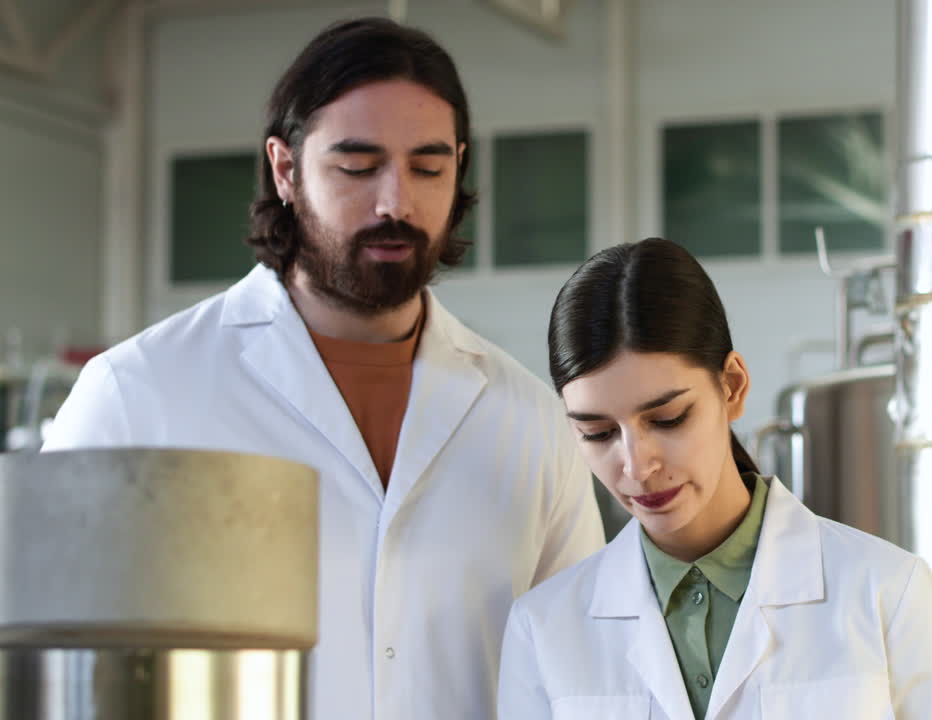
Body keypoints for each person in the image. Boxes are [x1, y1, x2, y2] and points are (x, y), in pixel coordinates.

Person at [43, 18, 603, 720]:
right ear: (285, 168)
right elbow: (55, 669)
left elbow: (583, 679)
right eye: (357, 167)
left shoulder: (530, 419)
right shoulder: (141, 392)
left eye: (428, 167)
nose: (396, 202)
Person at [496, 238, 932, 719]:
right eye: (598, 432)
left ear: (732, 386)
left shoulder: (887, 594)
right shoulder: (543, 629)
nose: (637, 465)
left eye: (668, 419)